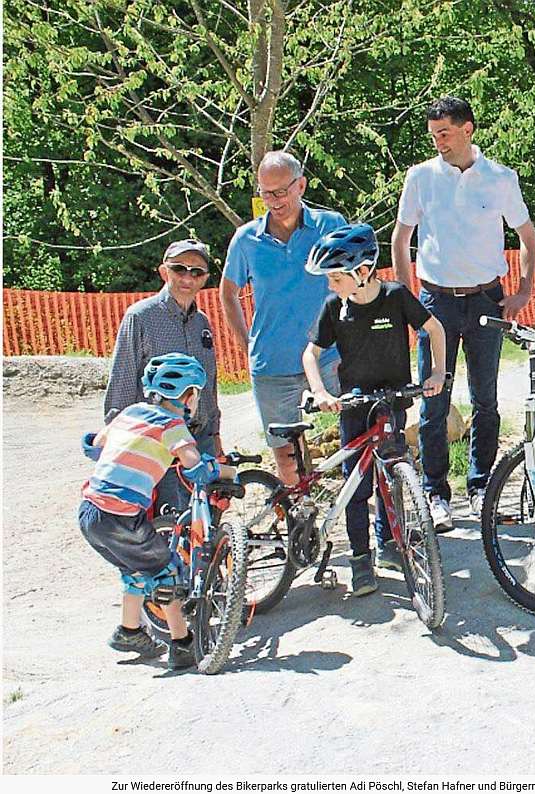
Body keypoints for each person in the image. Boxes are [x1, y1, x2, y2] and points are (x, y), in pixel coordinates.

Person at [390, 96, 535, 530]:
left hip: (485, 300)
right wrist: (405, 299)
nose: (439, 142)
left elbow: (528, 236)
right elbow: (402, 239)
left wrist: (524, 289)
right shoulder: (420, 177)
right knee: (433, 402)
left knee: (485, 399)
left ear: (468, 128)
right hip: (434, 301)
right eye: (434, 135)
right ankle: (436, 495)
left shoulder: (500, 178)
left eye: (446, 133)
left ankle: (481, 488)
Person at [301, 224, 448, 596]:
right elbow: (311, 353)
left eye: (336, 277)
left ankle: (388, 544)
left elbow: (435, 329)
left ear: (362, 272)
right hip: (355, 407)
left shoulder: (397, 297)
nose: (331, 285)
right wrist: (319, 390)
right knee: (358, 486)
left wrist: (437, 372)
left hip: (392, 399)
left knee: (392, 476)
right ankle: (360, 559)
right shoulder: (334, 307)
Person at [79, 354, 235, 670]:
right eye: (196, 394)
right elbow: (194, 465)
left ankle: (129, 630)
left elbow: (94, 445)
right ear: (189, 395)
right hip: (122, 516)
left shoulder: (130, 413)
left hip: (88, 513)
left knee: (138, 567)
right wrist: (225, 471)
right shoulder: (173, 426)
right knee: (168, 572)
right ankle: (181, 644)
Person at [221, 150, 347, 486]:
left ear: (301, 185)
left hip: (330, 356)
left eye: (281, 192)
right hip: (272, 363)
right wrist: (246, 342)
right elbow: (228, 293)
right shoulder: (247, 239)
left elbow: (355, 279)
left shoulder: (331, 225)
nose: (274, 201)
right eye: (265, 193)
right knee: (288, 461)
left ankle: (364, 524)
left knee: (356, 441)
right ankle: (300, 528)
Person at [105, 239, 222, 512]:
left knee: (205, 526)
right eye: (179, 269)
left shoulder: (202, 323)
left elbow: (210, 383)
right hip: (157, 440)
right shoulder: (140, 317)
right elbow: (122, 380)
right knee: (168, 523)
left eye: (197, 272)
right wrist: (117, 439)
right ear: (163, 271)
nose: (188, 278)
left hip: (198, 438)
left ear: (204, 278)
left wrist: (215, 435)